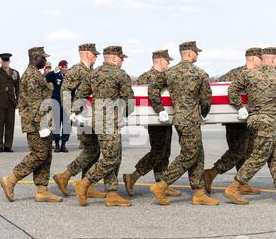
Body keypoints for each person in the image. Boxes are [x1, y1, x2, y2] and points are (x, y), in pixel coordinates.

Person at [225, 47, 276, 206]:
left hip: (253, 120)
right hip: (268, 122)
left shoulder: (247, 74)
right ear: (274, 59)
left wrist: (241, 107)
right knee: (259, 156)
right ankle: (234, 187)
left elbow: (231, 90)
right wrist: (273, 110)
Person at [148, 41, 220, 206]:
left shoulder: (170, 72)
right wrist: (203, 114)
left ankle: (199, 192)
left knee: (198, 154)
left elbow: (153, 88)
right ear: (189, 53)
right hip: (192, 120)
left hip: (179, 119)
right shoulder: (200, 73)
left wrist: (160, 109)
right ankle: (162, 184)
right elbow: (206, 100)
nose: (198, 55)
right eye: (197, 52)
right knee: (190, 155)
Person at [73, 46, 135, 207]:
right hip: (111, 122)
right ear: (114, 58)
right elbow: (130, 101)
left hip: (96, 120)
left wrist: (75, 112)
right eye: (121, 58)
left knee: (114, 155)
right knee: (111, 158)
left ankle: (112, 193)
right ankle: (85, 183)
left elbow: (81, 95)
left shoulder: (93, 74)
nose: (122, 61)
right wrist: (124, 114)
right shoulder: (121, 74)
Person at [0, 47, 62, 203]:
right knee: (39, 154)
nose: (45, 61)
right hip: (36, 123)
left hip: (42, 121)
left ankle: (42, 190)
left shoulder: (37, 74)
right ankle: (11, 179)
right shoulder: (32, 76)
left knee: (46, 155)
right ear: (35, 58)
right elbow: (35, 104)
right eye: (43, 58)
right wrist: (43, 125)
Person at [203, 48, 263, 195]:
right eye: (261, 58)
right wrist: (236, 106)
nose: (262, 61)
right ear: (254, 59)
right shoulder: (235, 74)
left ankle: (242, 183)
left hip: (248, 119)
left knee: (247, 151)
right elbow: (218, 88)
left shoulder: (257, 75)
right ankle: (211, 172)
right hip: (235, 120)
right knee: (237, 151)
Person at [123, 50, 181, 198]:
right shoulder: (145, 77)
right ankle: (133, 176)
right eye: (167, 61)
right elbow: (142, 99)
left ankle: (162, 183)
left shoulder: (166, 76)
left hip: (166, 119)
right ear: (160, 61)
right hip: (154, 120)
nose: (169, 64)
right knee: (158, 151)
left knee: (165, 151)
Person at [53, 43, 105, 199]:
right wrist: (72, 112)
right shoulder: (77, 70)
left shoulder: (90, 71)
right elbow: (65, 90)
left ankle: (86, 184)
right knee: (92, 150)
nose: (96, 57)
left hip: (90, 115)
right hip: (81, 116)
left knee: (94, 150)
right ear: (87, 54)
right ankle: (65, 176)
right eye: (94, 54)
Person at [46, 60, 71, 153]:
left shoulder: (69, 77)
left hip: (67, 104)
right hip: (56, 103)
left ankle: (63, 144)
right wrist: (54, 71)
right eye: (64, 67)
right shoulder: (55, 75)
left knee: (66, 125)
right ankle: (57, 144)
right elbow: (46, 78)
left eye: (66, 67)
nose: (65, 69)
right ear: (60, 67)